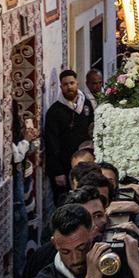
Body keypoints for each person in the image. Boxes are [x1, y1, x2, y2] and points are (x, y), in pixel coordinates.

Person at [43, 70, 95, 207]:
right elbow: (52, 144)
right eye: (65, 84)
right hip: (64, 166)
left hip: (86, 164)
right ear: (61, 87)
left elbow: (92, 129)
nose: (69, 87)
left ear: (77, 83)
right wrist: (58, 172)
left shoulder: (86, 104)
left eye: (72, 83)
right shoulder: (54, 112)